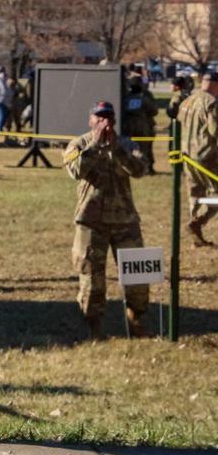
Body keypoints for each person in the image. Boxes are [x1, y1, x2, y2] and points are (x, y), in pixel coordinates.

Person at [62, 101, 149, 339]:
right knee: (91, 276)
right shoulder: (78, 144)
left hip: (125, 220)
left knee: (137, 274)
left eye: (108, 117)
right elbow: (74, 171)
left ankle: (136, 319)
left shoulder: (127, 144)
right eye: (99, 118)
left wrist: (117, 150)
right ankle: (94, 326)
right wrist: (95, 146)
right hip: (91, 221)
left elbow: (140, 169)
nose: (104, 122)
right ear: (90, 120)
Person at [176, 70, 218, 247]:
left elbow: (178, 122)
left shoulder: (188, 100)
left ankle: (196, 238)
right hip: (206, 156)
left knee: (195, 195)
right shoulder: (212, 103)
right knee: (215, 195)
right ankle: (197, 223)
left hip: (187, 155)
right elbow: (215, 131)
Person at [121, 74, 159, 174]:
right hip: (142, 127)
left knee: (129, 147)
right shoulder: (144, 97)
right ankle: (145, 168)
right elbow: (154, 110)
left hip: (128, 126)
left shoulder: (125, 97)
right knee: (144, 148)